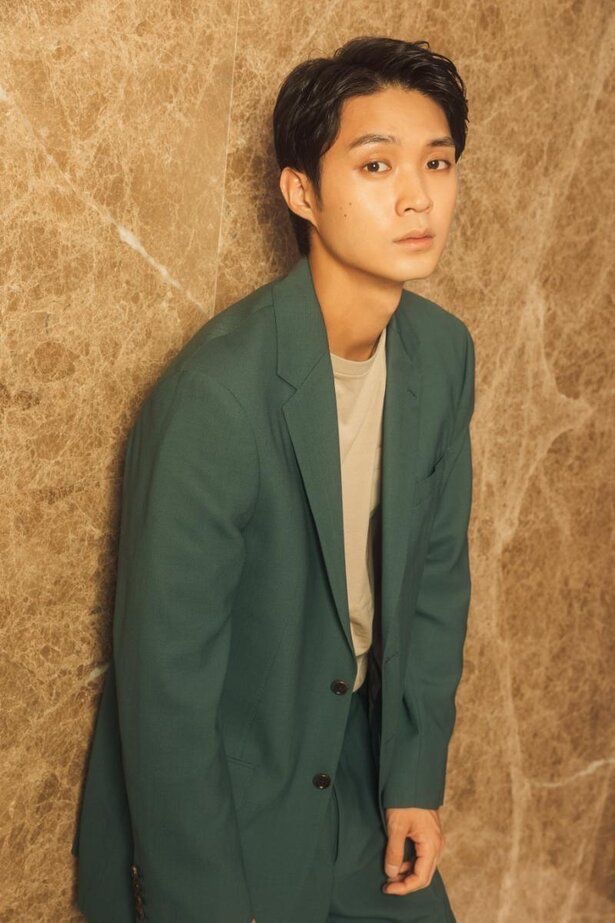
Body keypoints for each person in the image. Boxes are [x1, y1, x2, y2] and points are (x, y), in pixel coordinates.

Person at [71, 35, 475, 923]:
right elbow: (167, 687)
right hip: (226, 797)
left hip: (362, 776)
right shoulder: (217, 394)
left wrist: (414, 777)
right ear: (302, 192)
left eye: (437, 162)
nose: (417, 196)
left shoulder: (442, 354)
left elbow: (437, 580)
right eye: (376, 164)